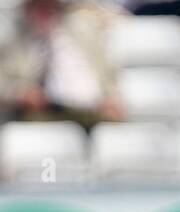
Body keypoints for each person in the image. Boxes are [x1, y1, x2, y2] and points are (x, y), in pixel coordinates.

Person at [0, 0, 122, 129]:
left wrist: (111, 96)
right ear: (27, 10)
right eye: (37, 7)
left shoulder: (83, 31)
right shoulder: (17, 42)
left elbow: (108, 71)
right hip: (46, 112)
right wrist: (22, 93)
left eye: (48, 6)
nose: (43, 12)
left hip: (93, 110)